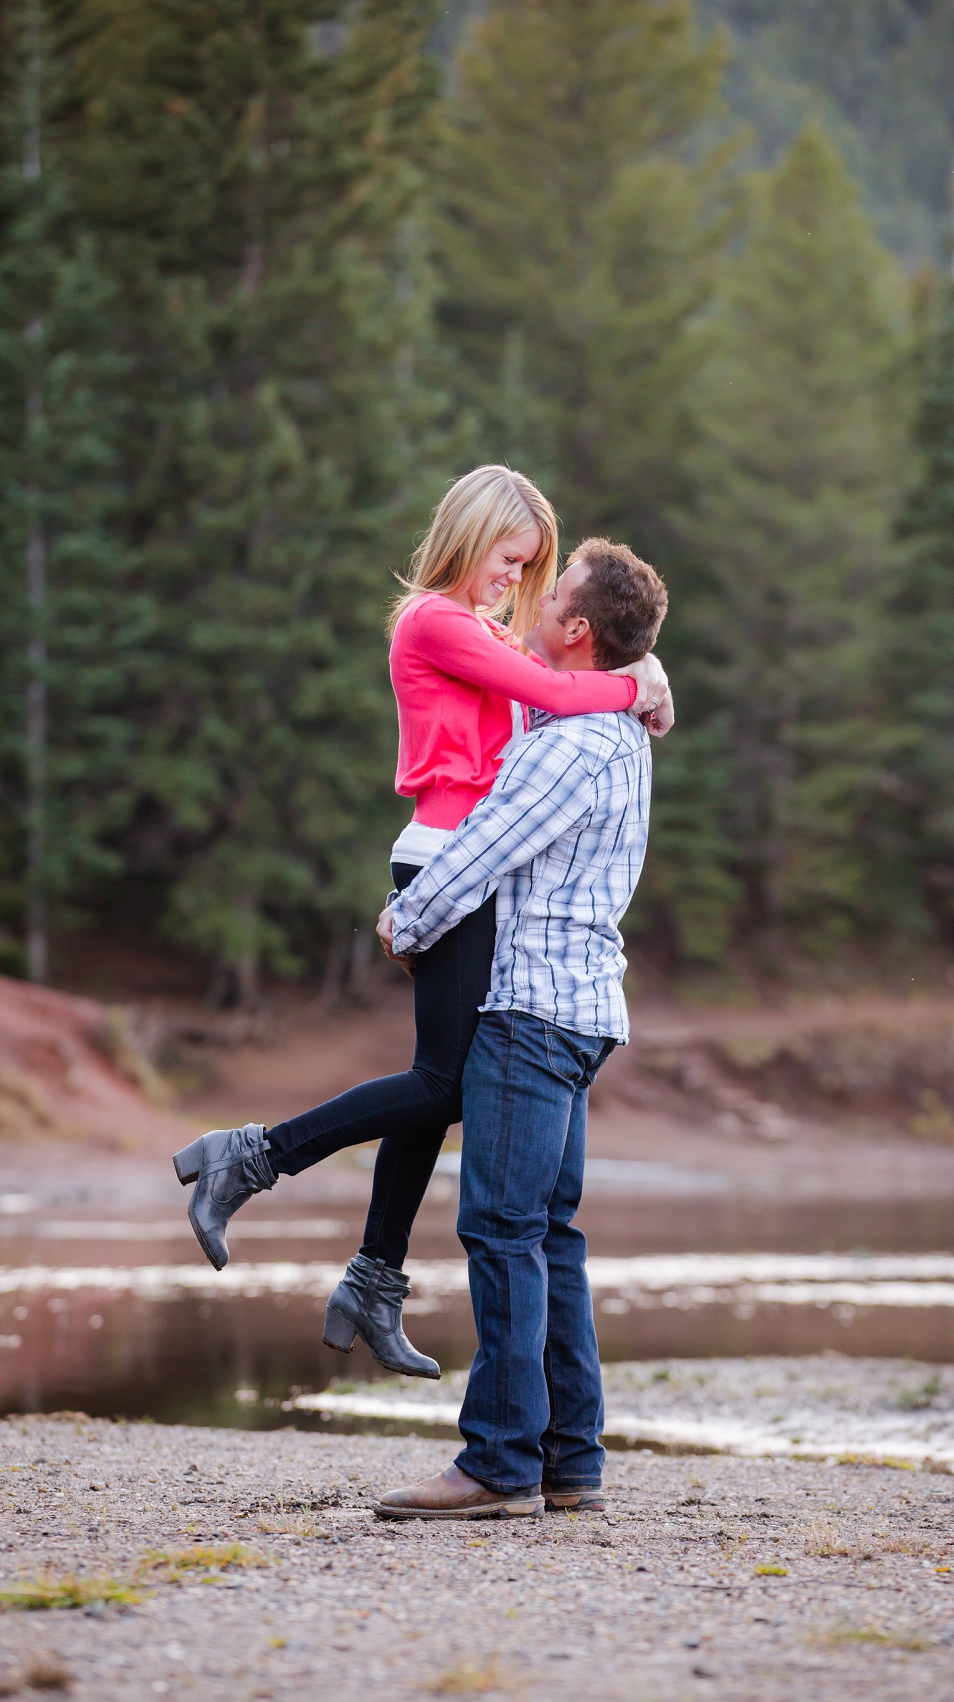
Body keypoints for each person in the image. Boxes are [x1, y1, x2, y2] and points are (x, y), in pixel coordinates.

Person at [172, 469, 671, 1380]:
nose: (515, 581)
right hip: (447, 859)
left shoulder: (483, 628)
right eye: (508, 559)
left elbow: (565, 666)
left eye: (531, 570)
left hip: (471, 862)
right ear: (470, 535)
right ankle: (251, 1159)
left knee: (438, 1081)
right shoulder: (433, 621)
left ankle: (372, 1276)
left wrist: (641, 669)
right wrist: (636, 689)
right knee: (447, 1087)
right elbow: (563, 695)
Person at [372, 538, 667, 1520]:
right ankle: (570, 1458)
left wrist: (403, 921)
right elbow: (530, 687)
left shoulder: (570, 746)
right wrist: (647, 680)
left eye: (554, 602)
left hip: (531, 1012)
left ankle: (498, 1461)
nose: (533, 609)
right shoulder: (605, 731)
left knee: (500, 1229)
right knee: (552, 1234)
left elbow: (480, 852)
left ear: (578, 630)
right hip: (585, 1012)